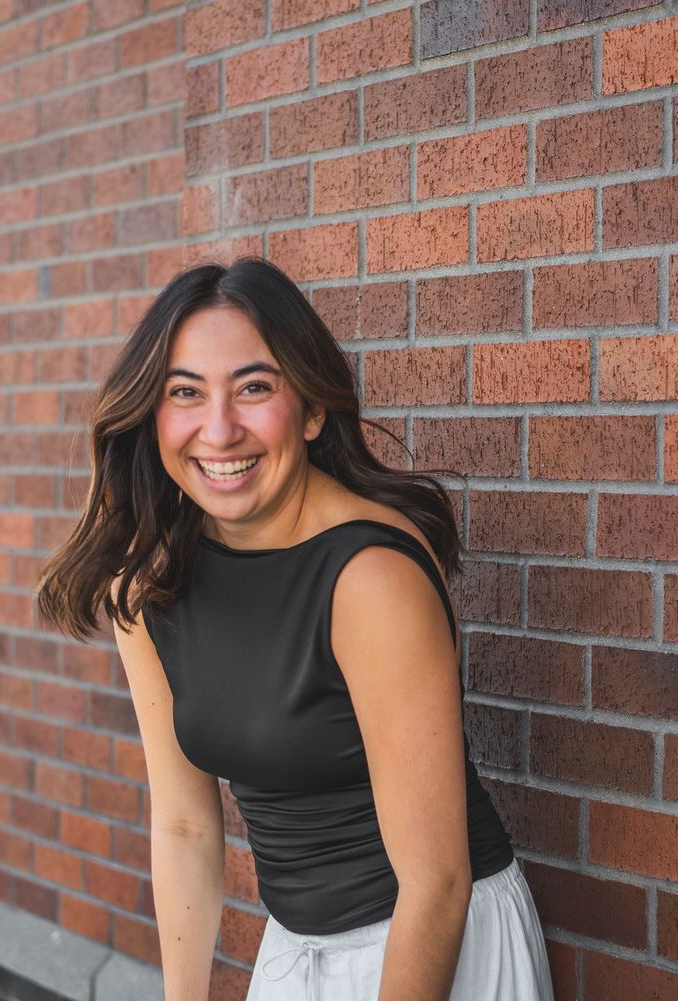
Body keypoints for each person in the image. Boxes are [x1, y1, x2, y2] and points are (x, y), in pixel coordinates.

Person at [36, 256, 553, 1001]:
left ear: (311, 411)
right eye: (185, 392)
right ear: (153, 414)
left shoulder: (370, 576)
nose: (219, 429)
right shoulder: (149, 583)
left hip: (439, 945)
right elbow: (184, 826)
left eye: (254, 387)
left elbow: (437, 883)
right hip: (296, 951)